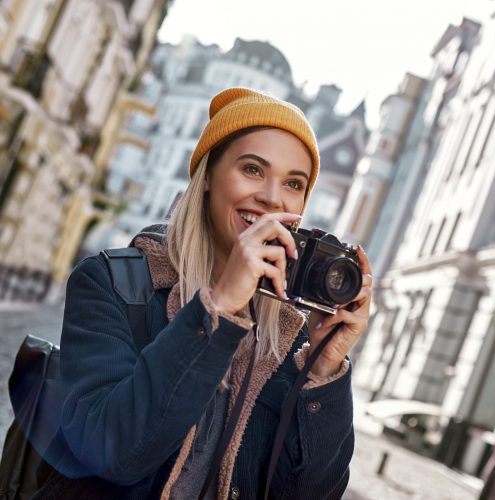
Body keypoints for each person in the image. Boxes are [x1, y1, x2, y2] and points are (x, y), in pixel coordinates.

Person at [33, 87, 372, 499]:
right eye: (252, 169)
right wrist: (219, 309)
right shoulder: (114, 284)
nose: (271, 196)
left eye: (294, 183)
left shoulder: (289, 337)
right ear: (208, 175)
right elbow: (112, 453)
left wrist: (322, 370)